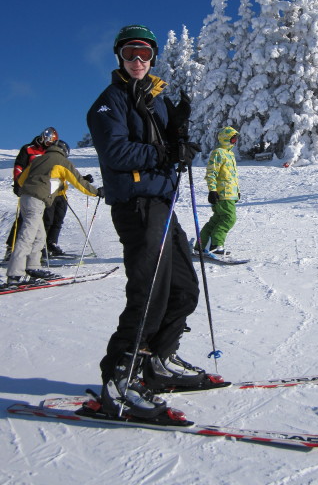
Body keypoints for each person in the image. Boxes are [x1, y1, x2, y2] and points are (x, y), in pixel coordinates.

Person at [87, 23, 206, 420]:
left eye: (144, 54)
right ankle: (119, 380)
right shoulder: (109, 102)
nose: (138, 60)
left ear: (153, 57)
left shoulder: (156, 100)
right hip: (136, 205)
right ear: (119, 57)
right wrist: (164, 152)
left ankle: (156, 363)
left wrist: (181, 137)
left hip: (163, 201)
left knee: (185, 288)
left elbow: (172, 146)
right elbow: (117, 152)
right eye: (130, 53)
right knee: (149, 291)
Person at [2, 141, 101, 288]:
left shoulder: (38, 159)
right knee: (27, 235)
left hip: (26, 199)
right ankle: (15, 274)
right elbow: (78, 181)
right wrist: (97, 192)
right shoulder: (61, 161)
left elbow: (21, 180)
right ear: (64, 151)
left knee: (39, 236)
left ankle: (33, 267)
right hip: (36, 201)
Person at [195, 127, 240, 257]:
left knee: (216, 219)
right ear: (226, 139)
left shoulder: (229, 154)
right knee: (229, 218)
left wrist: (237, 191)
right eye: (233, 138)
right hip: (222, 194)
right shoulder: (218, 153)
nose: (234, 141)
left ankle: (201, 245)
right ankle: (216, 245)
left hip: (230, 194)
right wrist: (212, 190)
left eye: (235, 139)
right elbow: (211, 173)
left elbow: (232, 176)